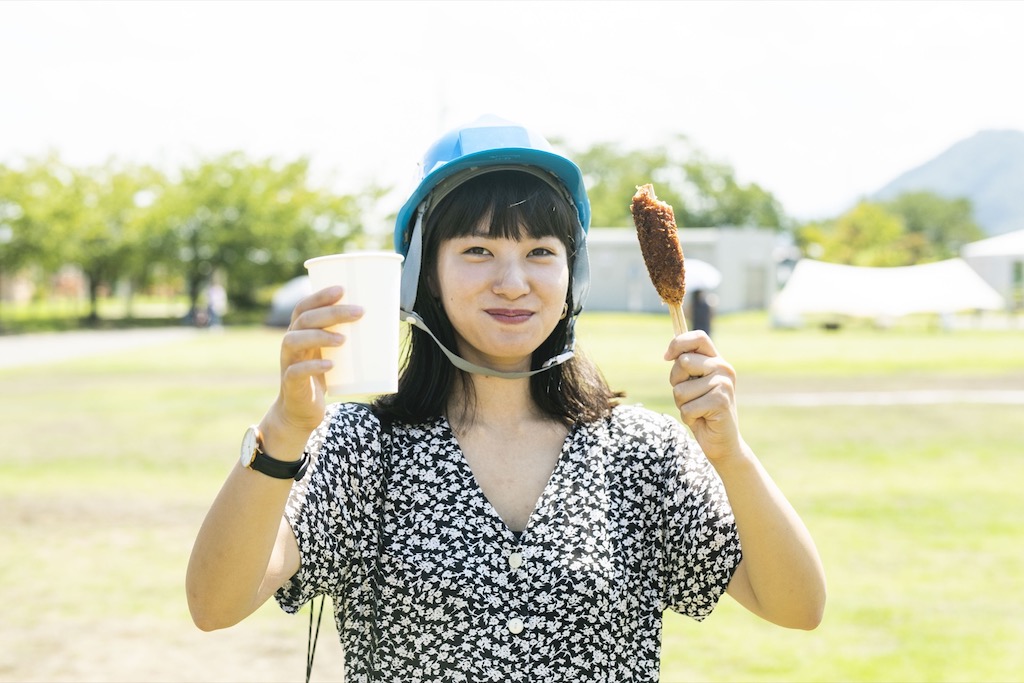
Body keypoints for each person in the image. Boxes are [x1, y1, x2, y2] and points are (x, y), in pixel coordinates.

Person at [186, 115, 825, 682]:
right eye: (478, 250)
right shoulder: (359, 449)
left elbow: (796, 606)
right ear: (420, 274)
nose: (513, 282)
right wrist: (284, 430)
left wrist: (732, 456)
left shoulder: (642, 451)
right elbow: (215, 605)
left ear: (572, 273)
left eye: (540, 252)